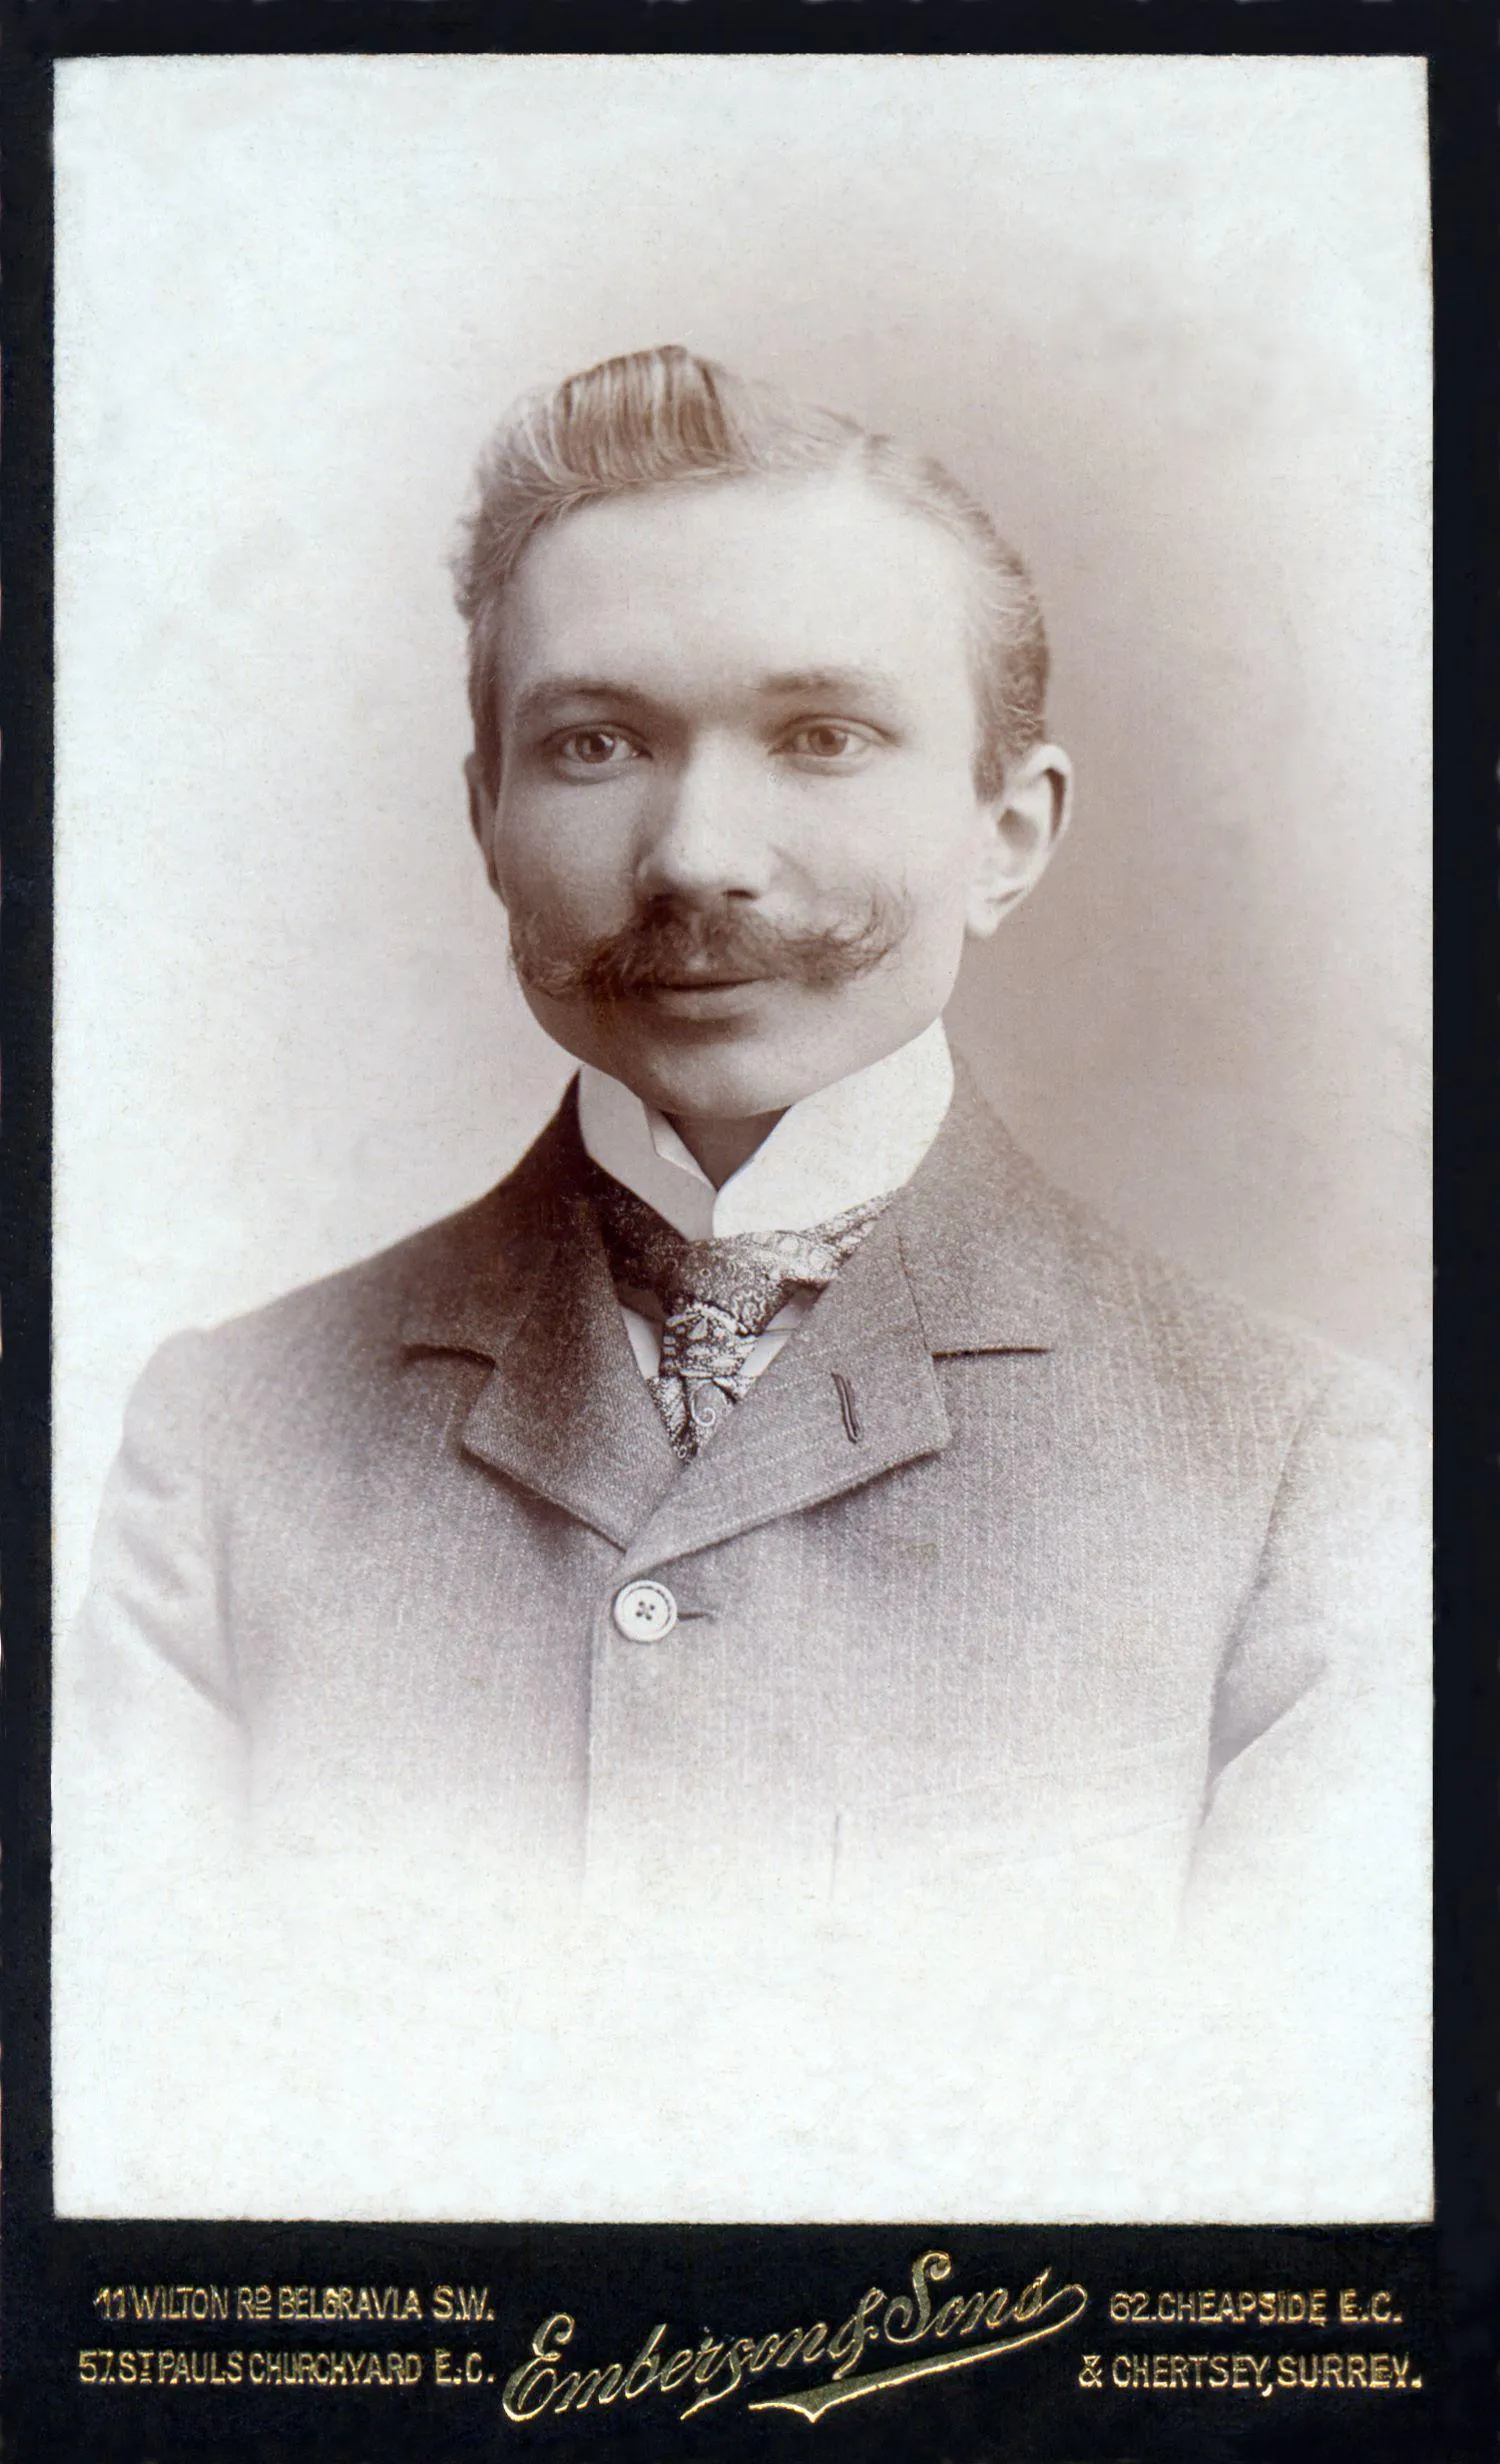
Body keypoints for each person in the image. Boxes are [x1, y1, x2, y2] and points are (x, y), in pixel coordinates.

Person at [56, 346, 1428, 2221]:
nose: (697, 856)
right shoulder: (230, 1442)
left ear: (1009, 831)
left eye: (824, 737)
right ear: (485, 814)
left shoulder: (1301, 1472)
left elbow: (1266, 2199)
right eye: (593, 744)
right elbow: (158, 2162)